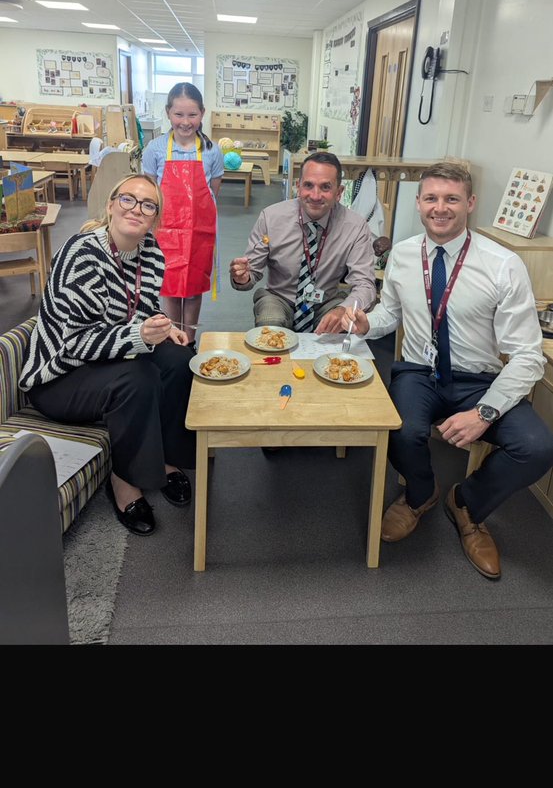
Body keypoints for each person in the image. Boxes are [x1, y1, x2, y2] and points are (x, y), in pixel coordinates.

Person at [340, 161, 553, 579]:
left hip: (481, 380)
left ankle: (467, 505)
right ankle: (420, 494)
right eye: (432, 198)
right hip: (419, 372)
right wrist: (368, 322)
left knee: (538, 446)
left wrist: (485, 413)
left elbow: (528, 355)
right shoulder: (403, 255)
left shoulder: (503, 264)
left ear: (470, 203)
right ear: (419, 203)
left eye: (452, 199)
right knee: (398, 428)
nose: (441, 208)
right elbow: (391, 314)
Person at [19, 174, 196, 536]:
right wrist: (139, 335)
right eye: (128, 199)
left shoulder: (150, 252)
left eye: (148, 205)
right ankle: (124, 479)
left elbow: (142, 310)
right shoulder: (83, 253)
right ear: (112, 205)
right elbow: (75, 343)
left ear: (155, 218)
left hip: (106, 359)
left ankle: (166, 458)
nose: (137, 209)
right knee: (139, 378)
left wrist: (163, 327)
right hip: (59, 376)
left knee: (180, 358)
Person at [230, 151, 376, 333]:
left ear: (339, 193)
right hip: (279, 297)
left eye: (325, 187)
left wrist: (344, 309)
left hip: (326, 301)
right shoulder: (271, 217)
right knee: (270, 322)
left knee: (342, 327)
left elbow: (365, 284)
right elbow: (251, 272)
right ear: (298, 186)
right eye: (308, 185)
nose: (315, 196)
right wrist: (242, 278)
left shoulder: (355, 226)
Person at [142, 82, 224, 344]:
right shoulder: (155, 149)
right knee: (169, 287)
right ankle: (172, 339)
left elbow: (213, 192)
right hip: (165, 231)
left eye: (192, 115)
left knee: (192, 288)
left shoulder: (212, 151)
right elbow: (149, 194)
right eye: (179, 114)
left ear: (202, 113)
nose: (185, 122)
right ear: (168, 113)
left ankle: (188, 340)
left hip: (199, 232)